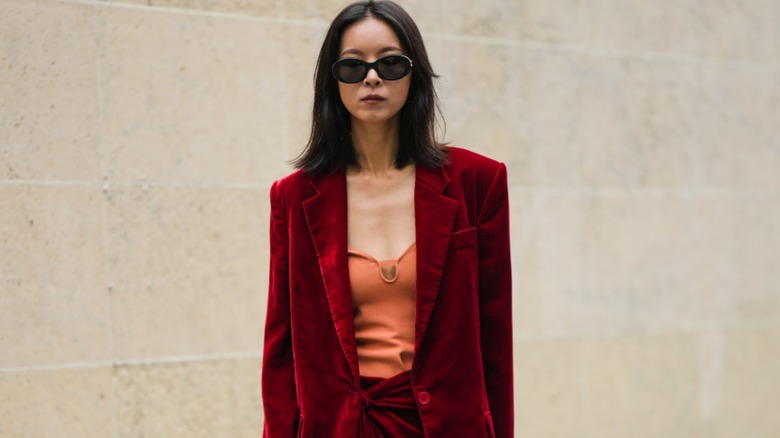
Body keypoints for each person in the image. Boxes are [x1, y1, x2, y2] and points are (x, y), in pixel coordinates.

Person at [261, 1, 513, 436]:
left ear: (415, 74)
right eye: (353, 66)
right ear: (332, 80)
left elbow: (495, 340)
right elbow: (280, 349)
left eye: (391, 63)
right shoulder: (295, 197)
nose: (372, 77)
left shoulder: (478, 182)